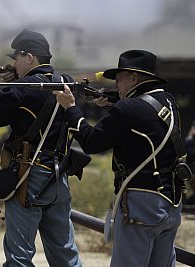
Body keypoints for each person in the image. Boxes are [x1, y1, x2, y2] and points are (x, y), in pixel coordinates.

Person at [0, 29, 82, 267]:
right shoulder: (64, 81)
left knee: (19, 256)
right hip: (58, 175)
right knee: (64, 254)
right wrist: (16, 79)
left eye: (17, 57)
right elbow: (33, 98)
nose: (13, 62)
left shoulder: (23, 87)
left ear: (30, 57)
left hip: (29, 177)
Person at [54, 50, 185, 266]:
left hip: (141, 205)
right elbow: (145, 117)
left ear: (134, 78)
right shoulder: (168, 101)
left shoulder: (127, 109)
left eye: (119, 77)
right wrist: (116, 101)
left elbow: (90, 142)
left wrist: (70, 108)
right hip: (171, 201)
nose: (115, 83)